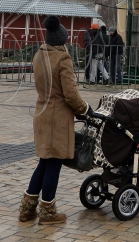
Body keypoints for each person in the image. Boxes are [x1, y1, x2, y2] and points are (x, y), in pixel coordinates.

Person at [18, 15, 94, 225]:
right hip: (57, 118)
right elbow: (70, 94)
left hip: (42, 114)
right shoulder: (63, 59)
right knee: (53, 164)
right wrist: (86, 108)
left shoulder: (38, 56)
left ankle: (27, 210)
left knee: (44, 162)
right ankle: (48, 213)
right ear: (62, 40)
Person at [83, 22, 97, 86]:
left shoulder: (93, 34)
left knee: (93, 66)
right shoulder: (88, 35)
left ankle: (92, 79)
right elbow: (87, 44)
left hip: (92, 52)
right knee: (88, 66)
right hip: (89, 52)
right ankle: (88, 78)